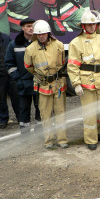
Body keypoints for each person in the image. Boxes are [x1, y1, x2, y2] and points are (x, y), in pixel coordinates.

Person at [67, 10, 100, 150]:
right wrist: (76, 84)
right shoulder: (75, 43)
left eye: (94, 24)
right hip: (87, 82)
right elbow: (72, 66)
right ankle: (91, 140)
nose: (92, 27)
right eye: (89, 25)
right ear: (83, 26)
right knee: (89, 112)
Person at [24, 20, 68, 149]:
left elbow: (62, 62)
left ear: (48, 33)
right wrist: (41, 75)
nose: (41, 36)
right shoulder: (30, 49)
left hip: (58, 84)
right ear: (35, 35)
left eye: (44, 34)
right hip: (42, 85)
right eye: (39, 34)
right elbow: (28, 66)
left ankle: (62, 140)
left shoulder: (58, 45)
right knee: (45, 115)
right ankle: (49, 141)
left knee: (61, 113)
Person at [5, 18, 41, 134]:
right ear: (22, 28)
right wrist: (18, 78)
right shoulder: (14, 44)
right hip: (23, 84)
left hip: (38, 82)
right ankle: (25, 135)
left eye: (32, 26)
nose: (31, 28)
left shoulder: (39, 43)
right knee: (24, 110)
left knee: (40, 109)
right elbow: (9, 63)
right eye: (28, 26)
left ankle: (40, 132)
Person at [0, 31, 20, 129]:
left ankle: (21, 118)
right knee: (1, 99)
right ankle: (3, 120)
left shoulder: (6, 38)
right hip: (0, 76)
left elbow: (13, 53)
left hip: (9, 73)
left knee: (16, 97)